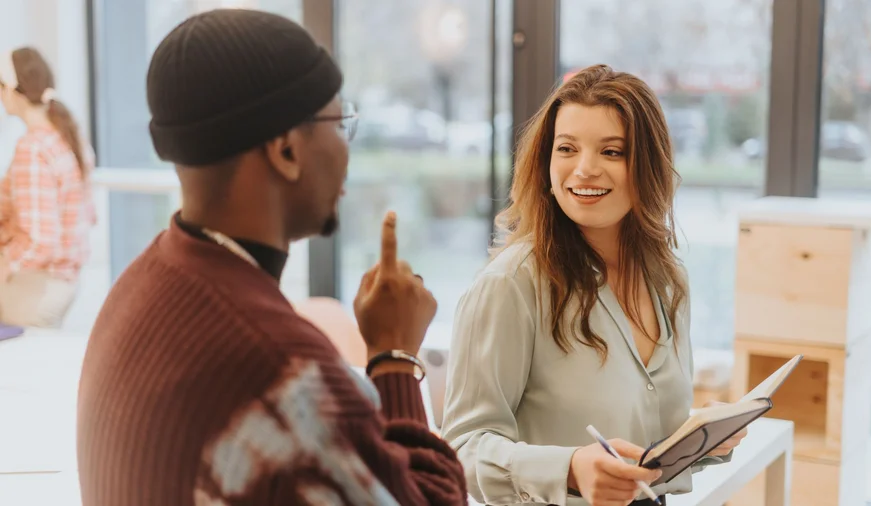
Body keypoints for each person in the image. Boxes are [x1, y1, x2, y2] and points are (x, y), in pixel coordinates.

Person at [77, 9, 467, 506]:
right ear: (285, 150)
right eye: (338, 120)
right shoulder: (283, 370)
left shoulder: (143, 279)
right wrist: (393, 355)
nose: (346, 147)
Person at [440, 65, 746, 506]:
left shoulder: (667, 280)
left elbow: (645, 449)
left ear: (648, 166)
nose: (584, 169)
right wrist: (568, 470)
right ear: (546, 163)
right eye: (567, 148)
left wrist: (704, 439)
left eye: (612, 152)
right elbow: (462, 449)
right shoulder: (510, 286)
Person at [0, 47, 95, 328]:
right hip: (63, 280)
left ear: (12, 90)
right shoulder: (67, 135)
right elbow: (87, 214)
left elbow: (40, 241)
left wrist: (4, 264)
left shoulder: (32, 149)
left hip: (35, 286)